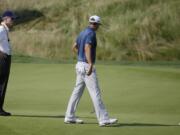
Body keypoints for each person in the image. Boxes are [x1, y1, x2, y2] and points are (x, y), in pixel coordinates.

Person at [64, 15, 118, 126]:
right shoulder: (91, 34)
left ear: (90, 22)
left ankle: (69, 116)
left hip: (79, 65)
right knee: (95, 93)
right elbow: (87, 47)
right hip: (86, 66)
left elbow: (74, 46)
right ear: (97, 24)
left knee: (77, 92)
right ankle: (103, 119)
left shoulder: (82, 32)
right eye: (98, 25)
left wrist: (81, 57)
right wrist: (90, 63)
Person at [0, 10, 16, 116]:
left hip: (5, 59)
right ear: (5, 19)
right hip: (2, 60)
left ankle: (0, 108)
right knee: (1, 84)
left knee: (2, 84)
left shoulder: (5, 30)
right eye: (12, 18)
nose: (13, 21)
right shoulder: (1, 29)